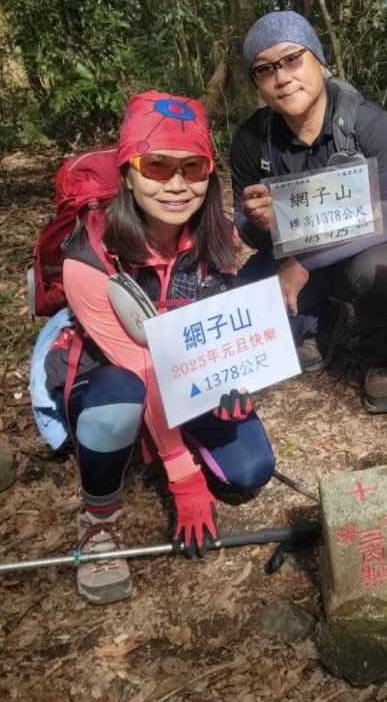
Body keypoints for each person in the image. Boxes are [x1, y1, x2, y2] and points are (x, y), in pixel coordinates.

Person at [30, 90, 276, 605]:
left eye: (194, 167)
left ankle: (173, 437)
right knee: (120, 401)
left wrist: (234, 378)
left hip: (181, 366)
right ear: (127, 172)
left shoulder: (218, 238)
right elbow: (143, 366)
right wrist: (182, 474)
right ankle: (99, 516)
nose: (177, 184)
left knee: (251, 469)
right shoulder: (89, 256)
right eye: (157, 165)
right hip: (113, 369)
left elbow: (223, 323)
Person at [230, 10, 387, 414]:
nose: (282, 77)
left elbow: (385, 216)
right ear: (257, 83)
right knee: (243, 302)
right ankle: (319, 319)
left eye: (292, 59)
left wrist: (304, 262)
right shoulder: (250, 141)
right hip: (290, 251)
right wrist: (258, 223)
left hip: (360, 248)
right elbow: (248, 230)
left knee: (382, 272)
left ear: (319, 59)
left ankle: (380, 357)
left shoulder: (369, 122)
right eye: (264, 70)